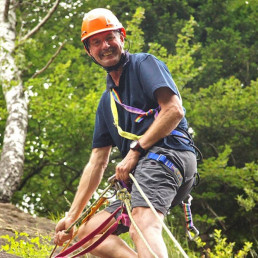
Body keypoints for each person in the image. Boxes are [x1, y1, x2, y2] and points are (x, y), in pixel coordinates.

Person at [54, 8, 197, 258]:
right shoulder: (106, 102)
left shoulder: (144, 64)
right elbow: (97, 162)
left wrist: (136, 151)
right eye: (96, 42)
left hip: (168, 155)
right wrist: (72, 217)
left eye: (110, 37)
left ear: (122, 37)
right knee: (89, 234)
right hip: (140, 173)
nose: (105, 46)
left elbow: (174, 110)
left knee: (143, 223)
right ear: (89, 51)